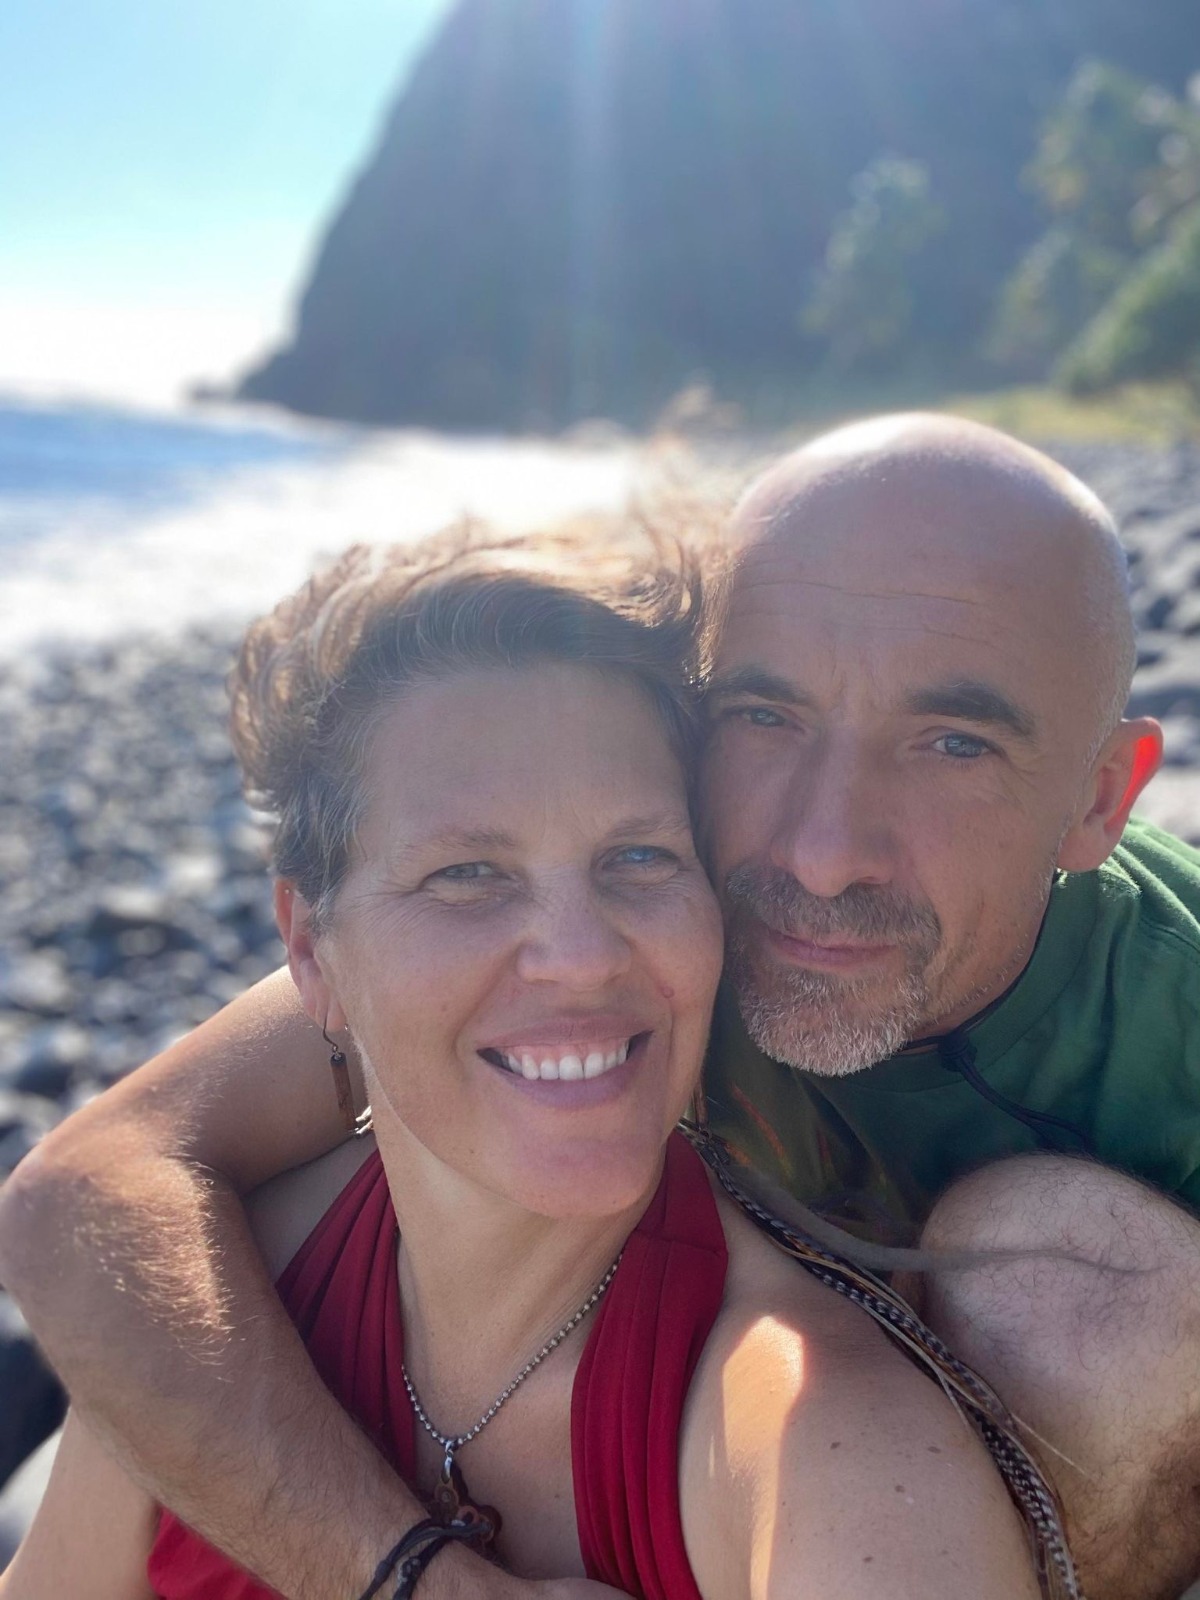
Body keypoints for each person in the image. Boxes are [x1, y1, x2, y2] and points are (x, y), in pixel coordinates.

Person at [3, 414, 1199, 1599]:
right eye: (765, 715)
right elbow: (91, 1188)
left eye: (953, 744)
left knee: (1074, 1279)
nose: (824, 853)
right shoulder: (664, 913)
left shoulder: (1165, 1024)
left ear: (1101, 799)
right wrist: (415, 1578)